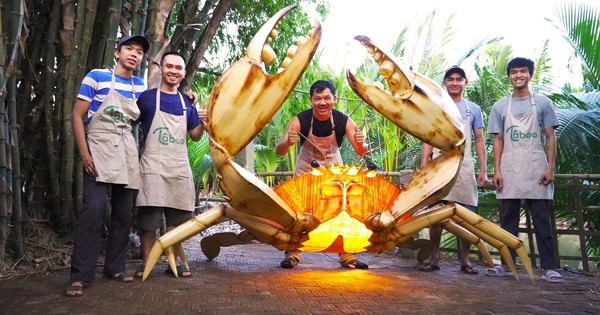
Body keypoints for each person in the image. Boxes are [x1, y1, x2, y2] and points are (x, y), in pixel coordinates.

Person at [66, 35, 150, 297]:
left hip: (126, 150)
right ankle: (80, 276)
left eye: (139, 51)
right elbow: (77, 116)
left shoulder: (140, 86)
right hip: (99, 147)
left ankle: (114, 266)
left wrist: (189, 97)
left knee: (124, 213)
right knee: (93, 210)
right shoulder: (97, 76)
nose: (134, 54)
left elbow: (157, 105)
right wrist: (84, 153)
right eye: (129, 49)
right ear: (117, 52)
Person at [275, 79, 369, 269]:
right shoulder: (300, 120)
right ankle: (293, 252)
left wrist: (362, 143)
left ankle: (346, 254)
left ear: (334, 98)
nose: (322, 103)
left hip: (333, 170)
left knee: (343, 210)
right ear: (311, 100)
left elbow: (360, 150)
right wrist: (287, 142)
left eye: (327, 98)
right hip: (305, 171)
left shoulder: (343, 120)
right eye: (317, 98)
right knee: (298, 212)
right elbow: (280, 150)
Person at [486, 57, 563, 283]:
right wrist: (497, 170)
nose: (518, 76)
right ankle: (508, 265)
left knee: (542, 220)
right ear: (509, 76)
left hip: (536, 168)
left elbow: (550, 137)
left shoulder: (543, 103)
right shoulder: (500, 106)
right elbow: (498, 140)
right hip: (509, 168)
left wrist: (550, 167)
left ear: (530, 74)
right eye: (514, 72)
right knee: (508, 220)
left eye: (522, 71)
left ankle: (549, 267)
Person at [134, 51, 205, 278]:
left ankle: (174, 262)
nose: (174, 71)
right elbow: (128, 121)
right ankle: (148, 262)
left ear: (183, 73)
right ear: (162, 69)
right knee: (149, 220)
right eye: (169, 66)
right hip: (152, 166)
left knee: (179, 220)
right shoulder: (146, 98)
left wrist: (205, 120)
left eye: (178, 68)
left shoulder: (187, 102)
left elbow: (194, 135)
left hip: (179, 167)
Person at [420, 66, 488, 274]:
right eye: (451, 79)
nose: (455, 83)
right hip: (439, 165)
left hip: (464, 167)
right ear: (445, 83)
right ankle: (434, 257)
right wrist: (425, 165)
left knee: (466, 215)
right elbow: (428, 137)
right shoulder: (436, 106)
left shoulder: (473, 109)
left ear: (465, 82)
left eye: (459, 79)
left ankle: (465, 260)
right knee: (436, 215)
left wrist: (483, 169)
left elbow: (479, 139)